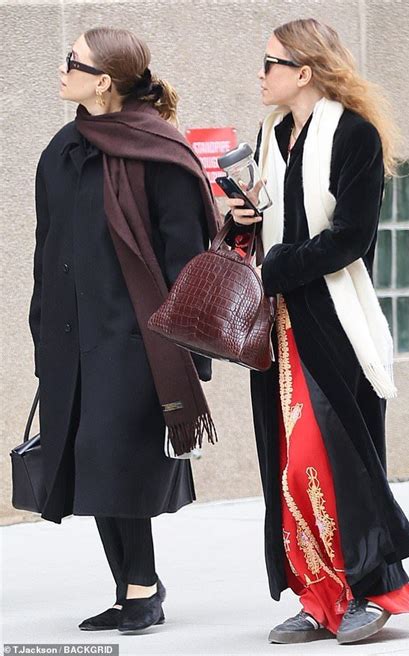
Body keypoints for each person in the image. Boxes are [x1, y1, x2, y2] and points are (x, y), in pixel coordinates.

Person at [224, 18, 409, 645]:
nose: (260, 74)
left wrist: (277, 264)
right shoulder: (273, 134)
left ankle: (376, 589)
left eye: (270, 63)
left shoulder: (354, 137)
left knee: (340, 456)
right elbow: (266, 231)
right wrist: (242, 220)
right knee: (289, 464)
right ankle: (318, 596)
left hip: (334, 321)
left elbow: (351, 239)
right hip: (278, 324)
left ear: (304, 71)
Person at [28, 26, 219, 634]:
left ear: (103, 81)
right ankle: (131, 585)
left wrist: (184, 350)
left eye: (72, 62)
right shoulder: (64, 148)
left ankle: (142, 588)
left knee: (118, 460)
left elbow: (186, 258)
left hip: (137, 339)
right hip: (70, 335)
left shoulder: (157, 150)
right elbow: (46, 246)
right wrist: (41, 328)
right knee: (90, 463)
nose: (62, 70)